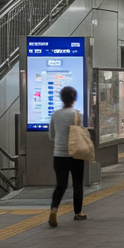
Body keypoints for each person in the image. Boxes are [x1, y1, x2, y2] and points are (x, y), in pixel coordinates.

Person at [48, 85, 87, 226]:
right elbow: (80, 132)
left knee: (61, 185)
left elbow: (51, 135)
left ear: (61, 99)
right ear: (74, 99)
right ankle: (78, 213)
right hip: (75, 154)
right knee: (77, 184)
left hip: (59, 155)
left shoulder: (55, 115)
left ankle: (53, 210)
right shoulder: (77, 114)